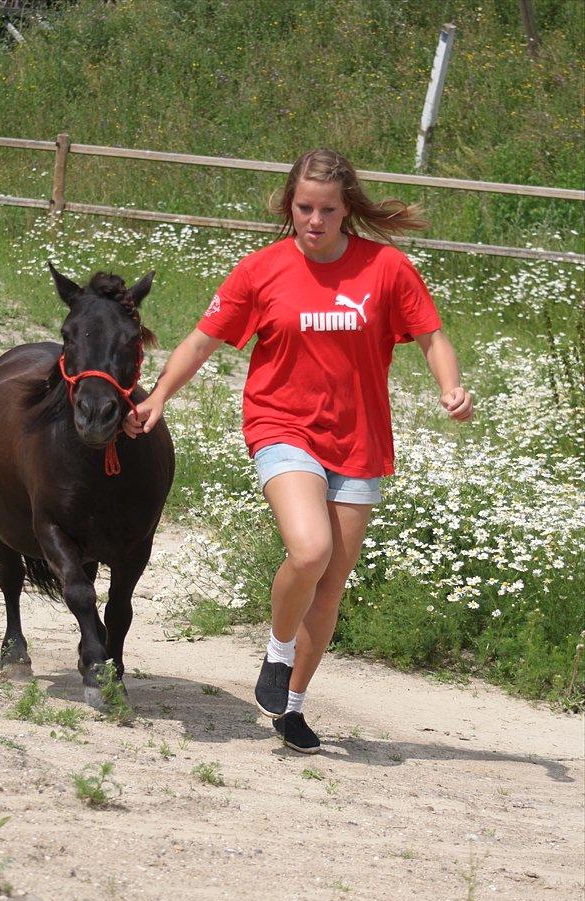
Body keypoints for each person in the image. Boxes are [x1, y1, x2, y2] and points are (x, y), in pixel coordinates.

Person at [124, 148, 473, 754]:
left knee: (332, 584)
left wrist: (450, 386)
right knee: (310, 551)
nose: (314, 220)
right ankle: (277, 653)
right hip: (281, 424)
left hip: (359, 439)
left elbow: (432, 336)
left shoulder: (387, 268)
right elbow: (203, 341)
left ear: (347, 210)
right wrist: (158, 397)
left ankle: (293, 706)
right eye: (304, 207)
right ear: (290, 205)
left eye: (327, 209)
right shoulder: (261, 270)